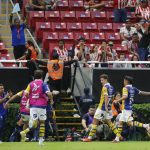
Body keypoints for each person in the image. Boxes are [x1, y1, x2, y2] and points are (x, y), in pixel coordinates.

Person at [82, 74, 122, 142]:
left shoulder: (105, 87)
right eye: (101, 80)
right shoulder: (112, 87)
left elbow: (106, 97)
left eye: (102, 80)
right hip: (108, 108)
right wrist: (109, 107)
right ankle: (119, 136)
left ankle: (89, 138)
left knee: (95, 121)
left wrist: (106, 106)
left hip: (102, 107)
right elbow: (111, 98)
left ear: (106, 79)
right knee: (110, 123)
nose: (101, 81)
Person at [20, 70, 53, 145]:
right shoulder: (43, 84)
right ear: (42, 76)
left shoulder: (30, 84)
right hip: (42, 106)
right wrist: (51, 100)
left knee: (34, 123)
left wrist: (31, 99)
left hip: (33, 106)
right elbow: (49, 93)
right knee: (42, 123)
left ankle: (24, 132)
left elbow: (25, 93)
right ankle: (40, 140)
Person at [113, 75, 150, 142]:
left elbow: (125, 96)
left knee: (130, 123)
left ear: (126, 81)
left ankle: (146, 125)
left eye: (124, 80)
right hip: (128, 108)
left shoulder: (125, 88)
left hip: (126, 108)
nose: (123, 81)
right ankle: (117, 139)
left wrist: (117, 100)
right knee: (120, 122)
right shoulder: (133, 88)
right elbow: (142, 93)